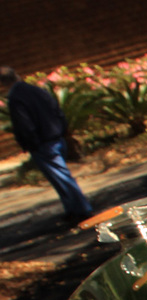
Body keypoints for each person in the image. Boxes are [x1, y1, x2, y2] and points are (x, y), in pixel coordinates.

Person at [0, 67, 93, 224]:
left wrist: (30, 143)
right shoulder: (36, 89)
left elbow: (24, 124)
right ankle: (71, 210)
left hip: (43, 143)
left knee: (62, 178)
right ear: (16, 75)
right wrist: (63, 130)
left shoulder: (16, 97)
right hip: (57, 138)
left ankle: (83, 210)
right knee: (59, 178)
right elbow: (56, 109)